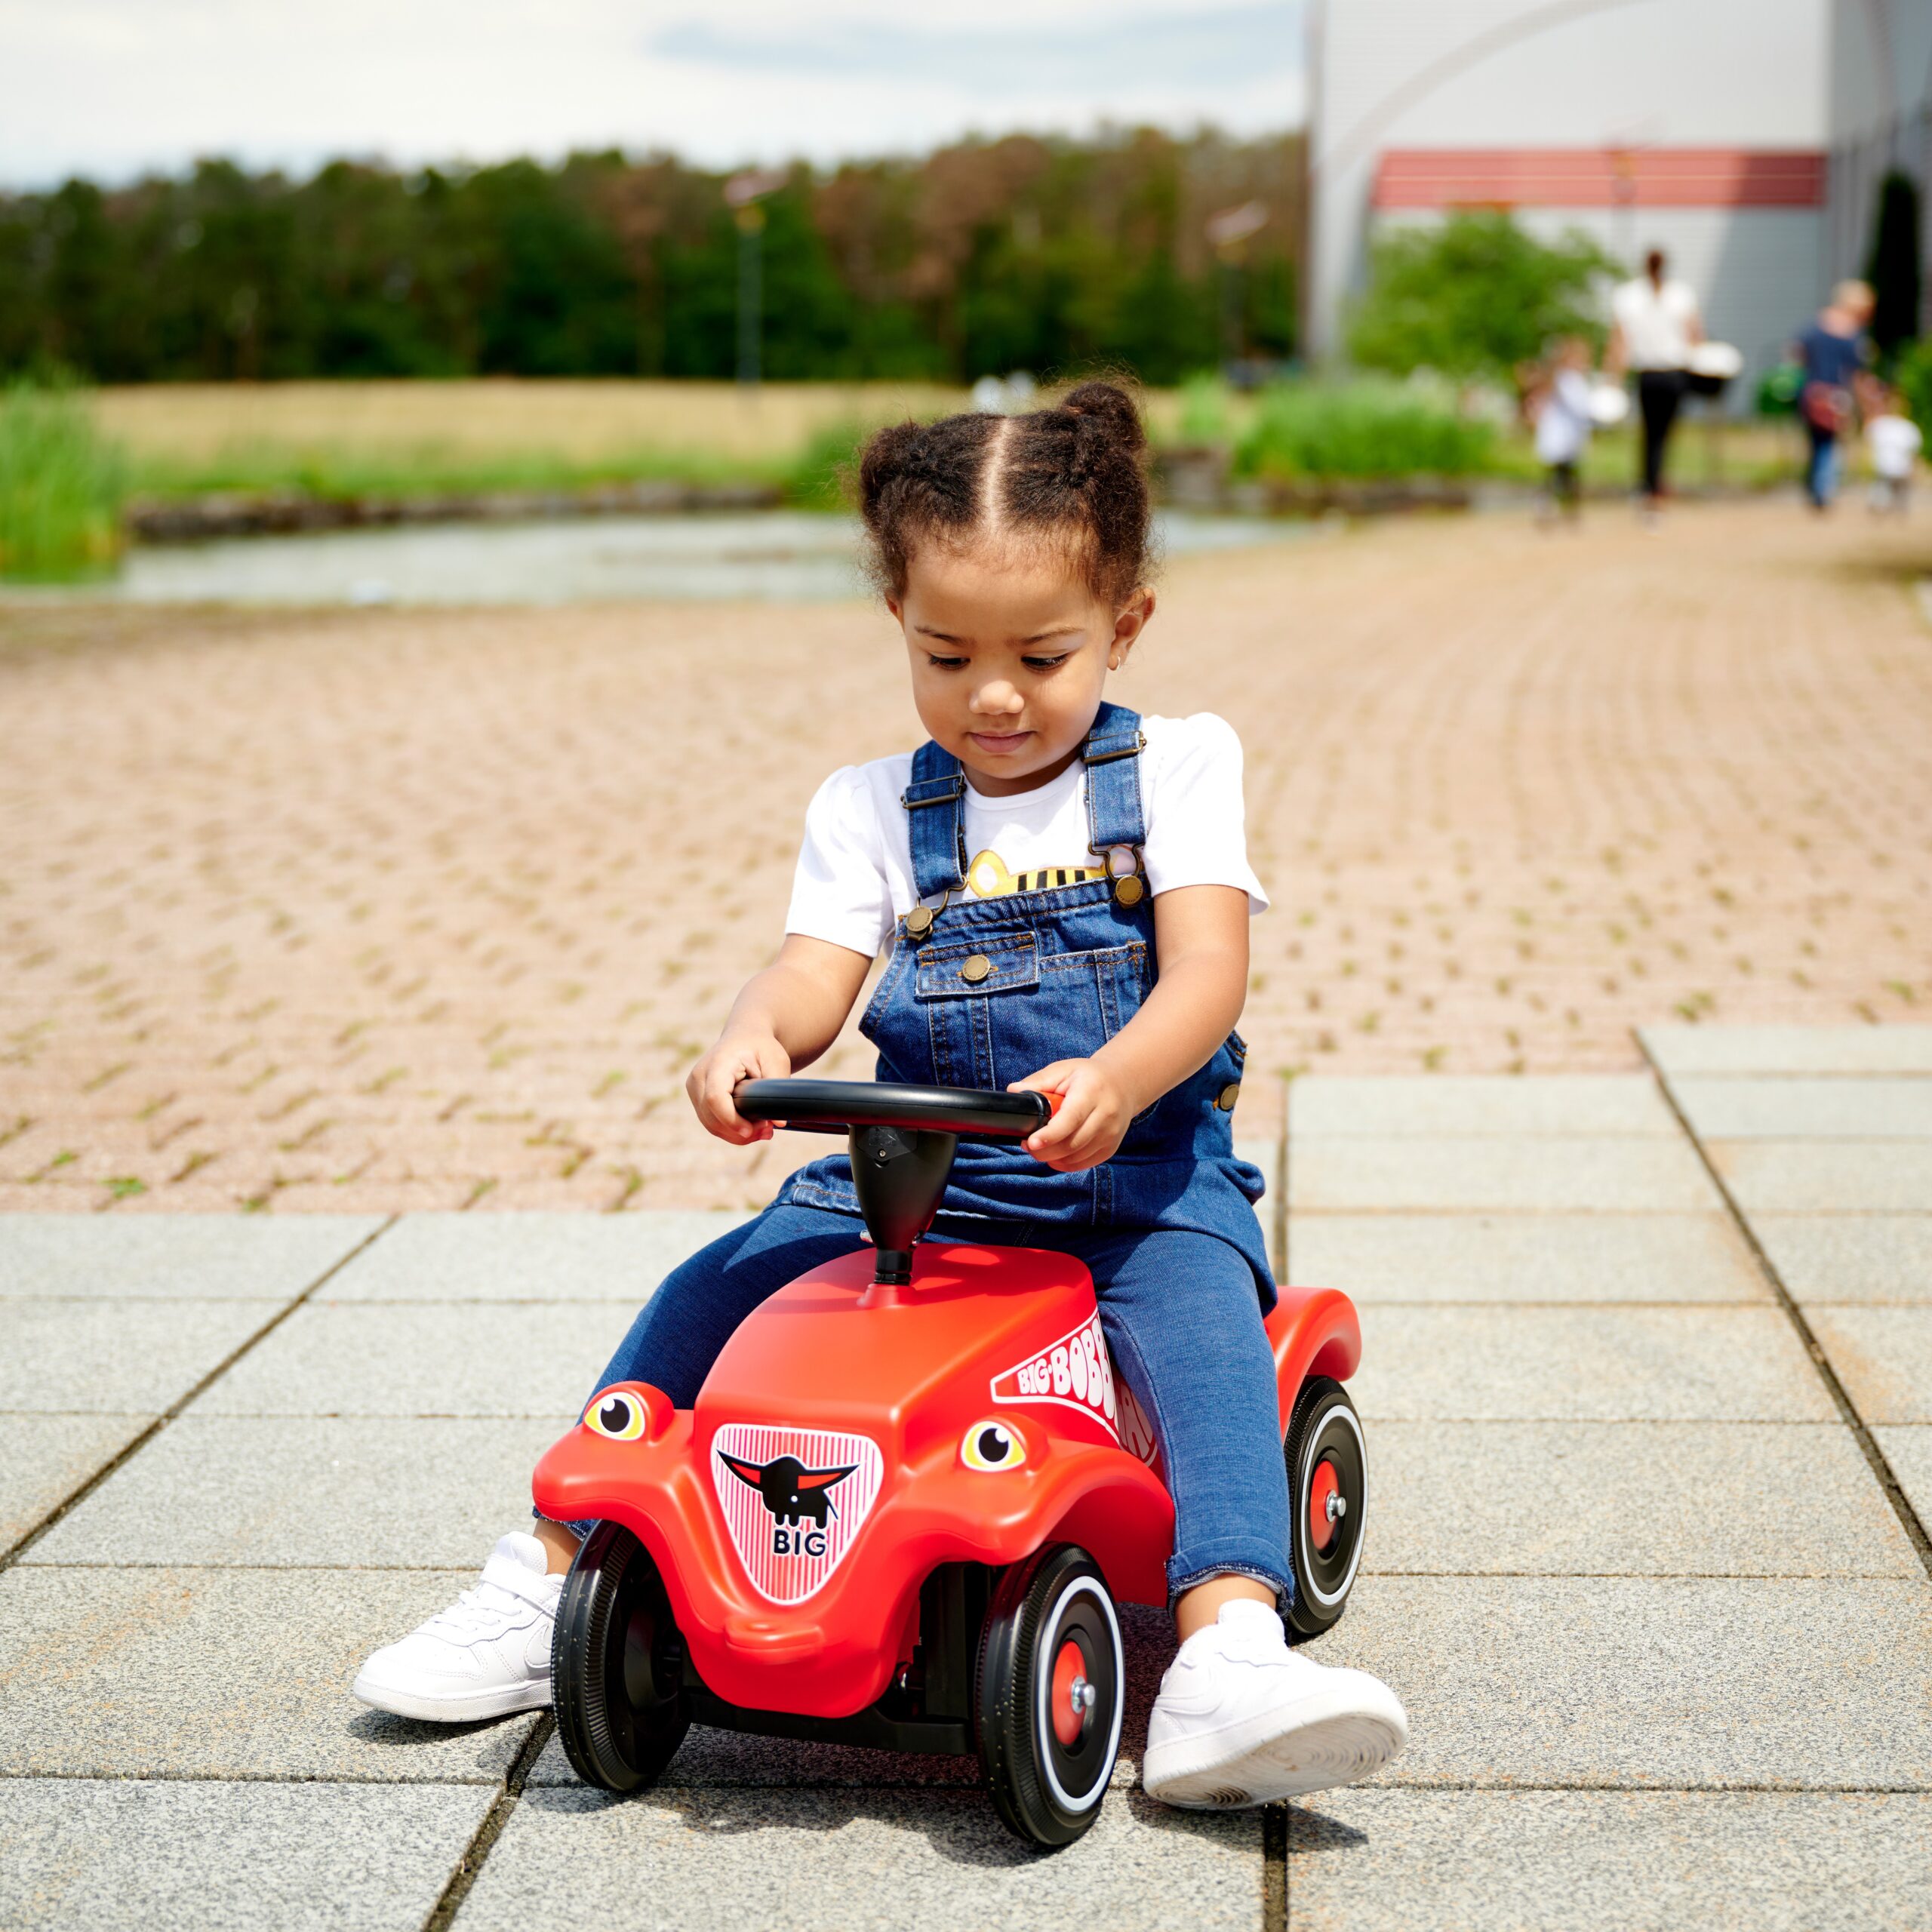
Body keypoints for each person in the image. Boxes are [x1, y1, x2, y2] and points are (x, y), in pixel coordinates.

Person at [352, 383, 1410, 1809]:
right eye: (944, 653)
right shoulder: (872, 808)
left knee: (1211, 1335)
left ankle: (1229, 1646)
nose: (992, 695)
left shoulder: (1176, 765)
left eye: (1043, 655)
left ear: (1128, 625)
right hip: (915, 1177)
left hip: (1128, 1180)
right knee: (711, 1292)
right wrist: (745, 1039)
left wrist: (1119, 1075)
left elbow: (1206, 974)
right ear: (898, 624)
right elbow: (810, 976)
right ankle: (544, 1577)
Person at [1607, 248, 1704, 512]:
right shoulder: (1681, 294)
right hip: (1674, 372)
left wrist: (1613, 377)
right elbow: (1695, 334)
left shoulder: (1629, 296)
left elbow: (1618, 341)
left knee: (1650, 432)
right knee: (1665, 432)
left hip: (1648, 374)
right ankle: (1655, 483)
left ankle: (1649, 483)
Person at [1792, 281, 1876, 511]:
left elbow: (1796, 353)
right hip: (1837, 394)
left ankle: (1814, 484)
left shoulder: (1816, 325)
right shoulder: (1852, 334)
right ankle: (1823, 489)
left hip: (1811, 390)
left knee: (1816, 441)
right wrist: (1865, 404)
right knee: (1830, 444)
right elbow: (1858, 371)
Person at [1530, 337, 1595, 522]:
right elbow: (1578, 407)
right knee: (1556, 473)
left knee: (1569, 474)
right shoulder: (1563, 380)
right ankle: (1549, 506)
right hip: (1559, 433)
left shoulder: (1577, 381)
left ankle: (1568, 509)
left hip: (1571, 435)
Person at [1865, 385, 1921, 515]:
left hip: (1901, 468)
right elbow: (1868, 437)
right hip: (1884, 467)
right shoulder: (1881, 423)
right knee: (1882, 494)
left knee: (1898, 495)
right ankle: (1881, 511)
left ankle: (1896, 512)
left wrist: (1914, 468)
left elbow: (1913, 452)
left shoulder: (1908, 427)